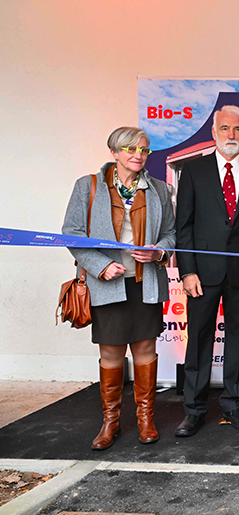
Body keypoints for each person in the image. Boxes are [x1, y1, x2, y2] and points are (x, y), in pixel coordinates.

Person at [62, 127, 175, 449]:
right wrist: (100, 266)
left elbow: (170, 233)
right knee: (111, 353)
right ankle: (110, 422)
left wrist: (159, 252)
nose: (138, 154)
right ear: (114, 152)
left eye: (144, 149)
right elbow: (71, 234)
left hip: (145, 283)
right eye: (130, 149)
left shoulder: (159, 190)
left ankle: (145, 420)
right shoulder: (89, 186)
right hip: (107, 284)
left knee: (145, 351)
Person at [174, 105, 239, 437]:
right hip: (202, 275)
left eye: (238, 129)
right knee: (199, 341)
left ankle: (233, 404)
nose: (231, 135)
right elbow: (183, 226)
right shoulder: (193, 172)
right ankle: (194, 410)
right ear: (214, 132)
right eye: (225, 129)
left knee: (237, 340)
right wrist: (187, 271)